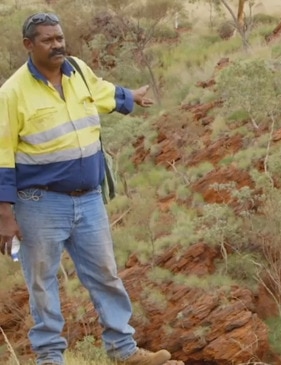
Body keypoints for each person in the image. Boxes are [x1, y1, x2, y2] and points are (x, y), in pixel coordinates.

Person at [0, 13, 183, 365]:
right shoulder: (11, 94)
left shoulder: (77, 70)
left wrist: (130, 98)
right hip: (39, 203)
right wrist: (4, 214)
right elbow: (2, 156)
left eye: (59, 37)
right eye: (47, 40)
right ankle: (50, 358)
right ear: (28, 45)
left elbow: (102, 92)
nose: (57, 45)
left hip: (88, 200)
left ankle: (124, 351)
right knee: (42, 283)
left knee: (105, 275)